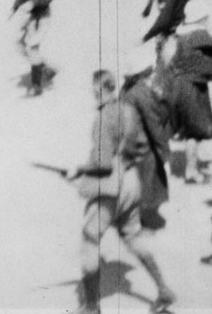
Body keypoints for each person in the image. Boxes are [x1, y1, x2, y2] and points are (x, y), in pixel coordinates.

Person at [70, 69, 176, 314]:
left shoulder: (102, 117)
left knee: (90, 239)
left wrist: (78, 170)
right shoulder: (129, 111)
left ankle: (90, 307)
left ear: (99, 89)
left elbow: (103, 162)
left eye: (94, 89)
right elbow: (138, 147)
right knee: (133, 237)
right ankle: (163, 289)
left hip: (110, 187)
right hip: (131, 182)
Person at [162, 0, 212, 184]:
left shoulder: (183, 34)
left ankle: (186, 169)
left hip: (183, 85)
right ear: (201, 18)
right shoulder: (198, 34)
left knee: (185, 130)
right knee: (195, 130)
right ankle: (186, 169)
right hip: (191, 87)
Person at [121, 45, 172, 230]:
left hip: (131, 145)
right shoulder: (141, 92)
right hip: (144, 147)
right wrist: (164, 151)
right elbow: (154, 124)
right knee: (150, 184)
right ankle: (141, 221)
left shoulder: (127, 89)